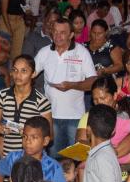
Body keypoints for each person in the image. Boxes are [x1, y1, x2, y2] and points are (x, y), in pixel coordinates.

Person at [35, 16, 96, 154]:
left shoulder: (81, 52)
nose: (58, 36)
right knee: (55, 157)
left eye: (62, 32)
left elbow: (93, 82)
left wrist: (72, 85)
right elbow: (30, 73)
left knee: (75, 157)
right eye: (55, 32)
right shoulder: (44, 52)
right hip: (50, 115)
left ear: (71, 34)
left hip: (75, 116)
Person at [0, 54, 51, 160]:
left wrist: (31, 134)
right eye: (15, 70)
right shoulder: (2, 95)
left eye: (24, 71)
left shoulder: (41, 101)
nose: (18, 75)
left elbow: (50, 135)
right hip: (7, 156)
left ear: (33, 74)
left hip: (30, 159)